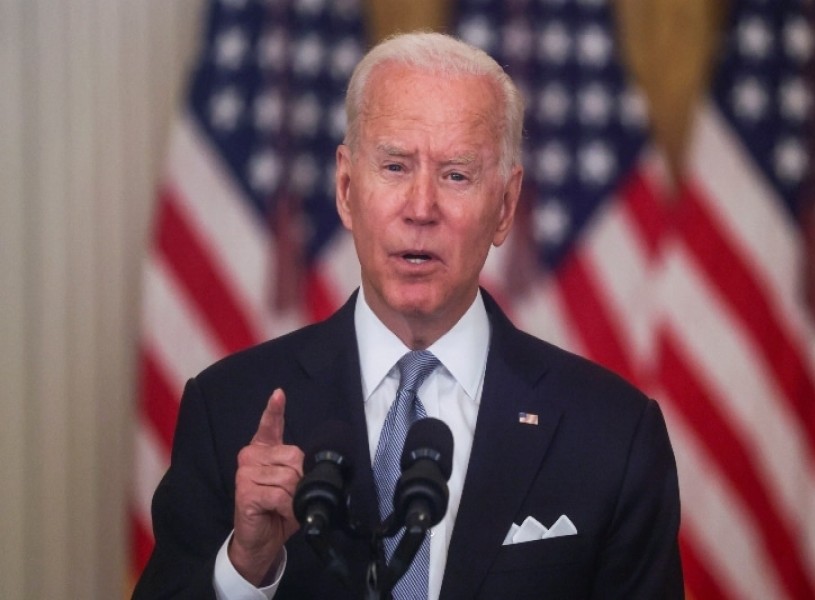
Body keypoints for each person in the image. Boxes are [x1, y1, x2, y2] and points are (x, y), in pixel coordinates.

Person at [133, 32, 683, 599]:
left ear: (505, 206)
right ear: (347, 189)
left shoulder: (612, 433)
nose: (421, 209)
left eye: (457, 175)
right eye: (395, 167)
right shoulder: (228, 410)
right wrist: (244, 567)